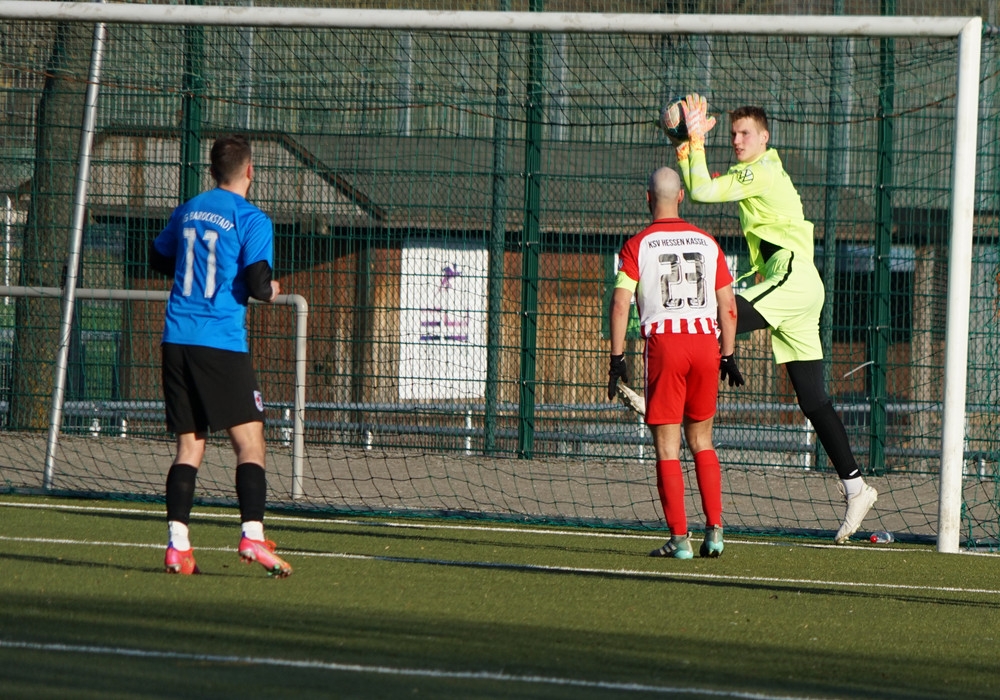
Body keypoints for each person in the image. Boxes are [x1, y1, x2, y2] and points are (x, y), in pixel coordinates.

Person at [673, 94, 878, 544]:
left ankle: (671, 399)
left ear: (764, 137)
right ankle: (857, 488)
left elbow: (701, 192)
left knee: (717, 314)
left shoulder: (761, 170)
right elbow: (704, 185)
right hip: (801, 286)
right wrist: (686, 148)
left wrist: (694, 143)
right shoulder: (758, 172)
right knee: (813, 400)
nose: (737, 140)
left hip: (792, 278)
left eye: (745, 133)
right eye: (733, 134)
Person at [150, 134, 292, 577]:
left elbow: (158, 257)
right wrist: (272, 289)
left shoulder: (189, 209)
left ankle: (178, 547)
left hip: (176, 338)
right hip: (220, 342)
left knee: (189, 445)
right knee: (250, 442)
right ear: (250, 170)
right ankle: (252, 535)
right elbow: (259, 285)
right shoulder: (251, 218)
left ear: (213, 172)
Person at [607, 166, 741, 559]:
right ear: (681, 196)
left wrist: (617, 358)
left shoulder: (636, 246)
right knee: (702, 441)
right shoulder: (708, 242)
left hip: (666, 345)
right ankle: (715, 531)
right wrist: (728, 354)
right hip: (705, 343)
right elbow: (728, 305)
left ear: (648, 198)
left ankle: (680, 538)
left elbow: (620, 303)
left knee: (668, 447)